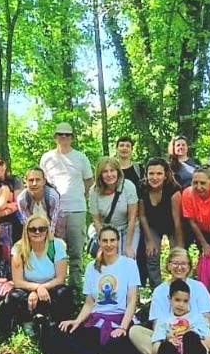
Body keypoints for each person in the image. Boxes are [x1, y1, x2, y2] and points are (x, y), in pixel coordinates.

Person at [53, 226, 140, 354]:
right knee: (55, 333)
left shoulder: (129, 264)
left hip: (121, 321)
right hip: (97, 322)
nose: (109, 244)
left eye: (112, 240)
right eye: (104, 240)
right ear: (99, 242)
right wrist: (77, 321)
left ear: (118, 241)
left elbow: (132, 301)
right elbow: (90, 303)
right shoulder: (91, 268)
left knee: (116, 344)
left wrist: (123, 328)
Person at [127, 248, 210, 354]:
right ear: (168, 265)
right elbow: (157, 324)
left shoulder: (199, 287)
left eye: (183, 263)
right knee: (135, 331)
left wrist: (192, 333)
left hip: (196, 335)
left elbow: (207, 319)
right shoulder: (159, 291)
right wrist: (169, 335)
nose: (179, 267)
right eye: (175, 263)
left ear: (189, 267)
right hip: (169, 335)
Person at [39, 122, 94, 285]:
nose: (64, 137)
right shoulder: (47, 158)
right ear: (55, 137)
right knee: (53, 251)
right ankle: (55, 288)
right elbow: (42, 182)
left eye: (67, 134)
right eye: (60, 134)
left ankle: (75, 288)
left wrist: (79, 196)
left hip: (76, 209)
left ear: (72, 138)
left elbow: (89, 182)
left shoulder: (81, 157)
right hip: (52, 212)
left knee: (76, 252)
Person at [6, 214, 72, 329]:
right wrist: (36, 289)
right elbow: (18, 282)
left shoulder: (56, 245)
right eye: (32, 229)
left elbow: (60, 279)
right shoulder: (18, 248)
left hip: (51, 288)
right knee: (14, 296)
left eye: (42, 229)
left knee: (64, 292)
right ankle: (26, 322)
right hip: (28, 290)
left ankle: (56, 323)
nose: (37, 232)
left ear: (47, 230)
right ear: (26, 231)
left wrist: (42, 288)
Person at [138, 158, 184, 288]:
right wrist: (149, 241)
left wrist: (179, 245)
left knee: (177, 256)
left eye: (159, 174)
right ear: (146, 174)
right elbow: (142, 216)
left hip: (172, 226)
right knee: (152, 255)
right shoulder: (142, 188)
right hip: (152, 225)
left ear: (165, 175)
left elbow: (177, 220)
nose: (155, 177)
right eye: (151, 173)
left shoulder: (174, 189)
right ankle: (157, 289)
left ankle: (179, 286)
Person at [89, 156, 140, 258]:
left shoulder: (128, 186)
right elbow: (96, 221)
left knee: (127, 258)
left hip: (127, 228)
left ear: (118, 172)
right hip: (105, 228)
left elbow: (132, 218)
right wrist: (103, 243)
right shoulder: (94, 191)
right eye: (105, 171)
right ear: (100, 174)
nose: (109, 175)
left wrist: (128, 246)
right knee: (108, 258)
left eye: (112, 171)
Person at [16, 168, 65, 239]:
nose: (34, 183)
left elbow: (54, 220)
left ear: (44, 181)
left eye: (38, 180)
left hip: (56, 226)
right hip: (35, 227)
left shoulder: (52, 196)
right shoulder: (22, 199)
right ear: (25, 182)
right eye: (31, 180)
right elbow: (27, 222)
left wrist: (51, 240)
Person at [0, 155, 22, 242]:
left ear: (5, 165)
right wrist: (6, 201)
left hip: (13, 219)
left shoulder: (15, 180)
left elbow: (17, 204)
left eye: (0, 164)